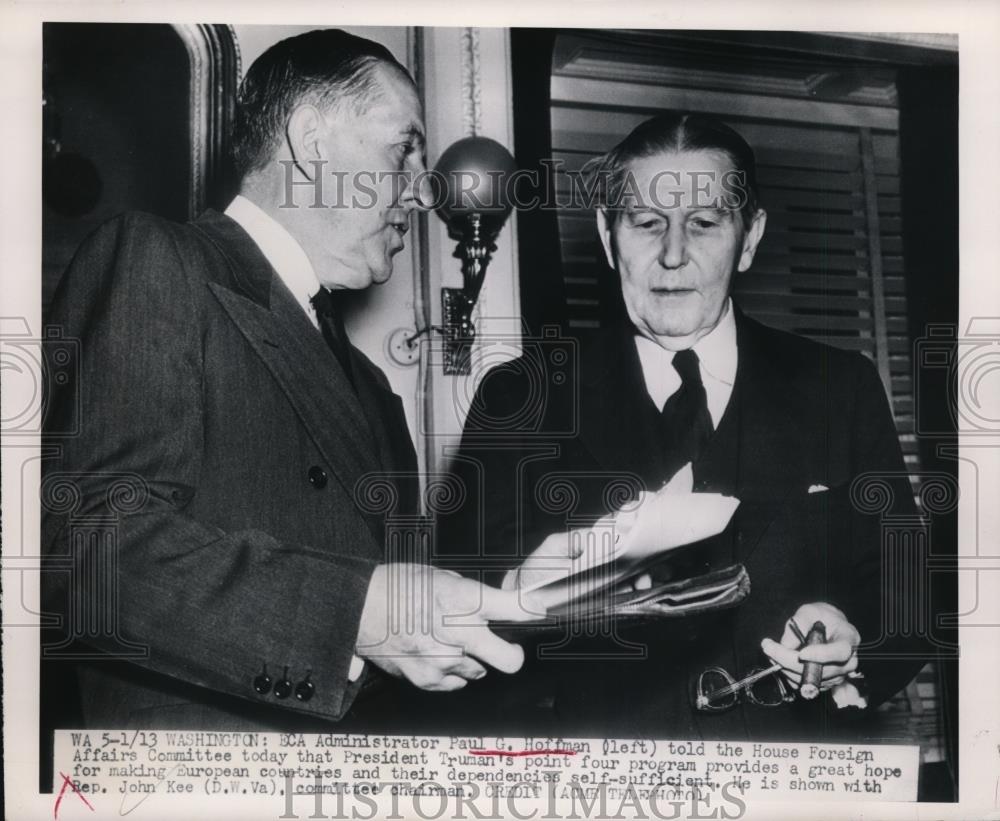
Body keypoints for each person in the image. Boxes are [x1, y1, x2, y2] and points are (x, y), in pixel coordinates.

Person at [40, 28, 530, 732]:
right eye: (404, 148)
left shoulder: (372, 388)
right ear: (311, 138)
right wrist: (351, 613)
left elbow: (390, 617)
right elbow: (82, 548)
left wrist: (531, 592)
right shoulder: (160, 259)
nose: (425, 192)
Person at [436, 111, 926, 740]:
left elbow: (909, 600)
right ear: (610, 239)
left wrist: (851, 645)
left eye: (703, 224)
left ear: (749, 239)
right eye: (646, 224)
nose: (673, 254)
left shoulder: (842, 387)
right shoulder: (519, 397)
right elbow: (457, 605)